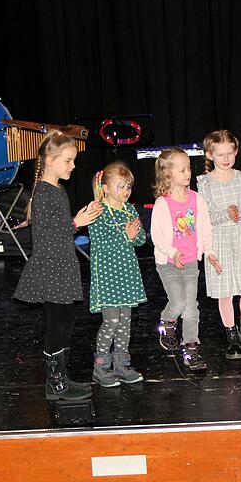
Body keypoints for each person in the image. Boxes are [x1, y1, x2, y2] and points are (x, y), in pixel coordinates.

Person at [14, 131, 102, 400]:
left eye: (73, 161)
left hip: (61, 266)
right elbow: (46, 235)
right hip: (50, 268)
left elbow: (58, 230)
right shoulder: (43, 193)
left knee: (66, 322)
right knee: (57, 325)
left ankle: (61, 379)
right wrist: (76, 223)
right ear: (50, 160)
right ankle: (55, 384)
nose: (72, 166)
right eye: (68, 161)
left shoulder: (56, 190)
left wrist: (79, 220)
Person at [151, 148, 221, 370]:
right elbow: (157, 236)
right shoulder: (163, 203)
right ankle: (168, 321)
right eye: (182, 169)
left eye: (188, 168)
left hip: (191, 262)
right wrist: (173, 252)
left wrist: (209, 252)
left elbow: (205, 229)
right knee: (179, 302)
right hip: (169, 264)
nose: (187, 172)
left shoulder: (196, 199)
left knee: (191, 307)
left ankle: (191, 348)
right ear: (168, 175)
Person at [198, 129, 241, 360]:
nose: (226, 159)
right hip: (219, 238)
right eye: (220, 154)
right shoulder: (204, 182)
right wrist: (227, 213)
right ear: (210, 155)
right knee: (224, 289)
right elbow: (206, 215)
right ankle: (231, 333)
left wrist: (240, 213)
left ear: (236, 152)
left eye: (230, 153)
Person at [88, 162, 146, 387]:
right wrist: (125, 236)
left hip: (127, 275)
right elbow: (99, 243)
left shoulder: (130, 209)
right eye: (121, 186)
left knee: (125, 323)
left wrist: (134, 235)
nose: (126, 191)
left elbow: (140, 240)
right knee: (111, 321)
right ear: (105, 188)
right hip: (108, 277)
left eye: (128, 187)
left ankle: (122, 365)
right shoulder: (97, 210)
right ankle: (101, 366)